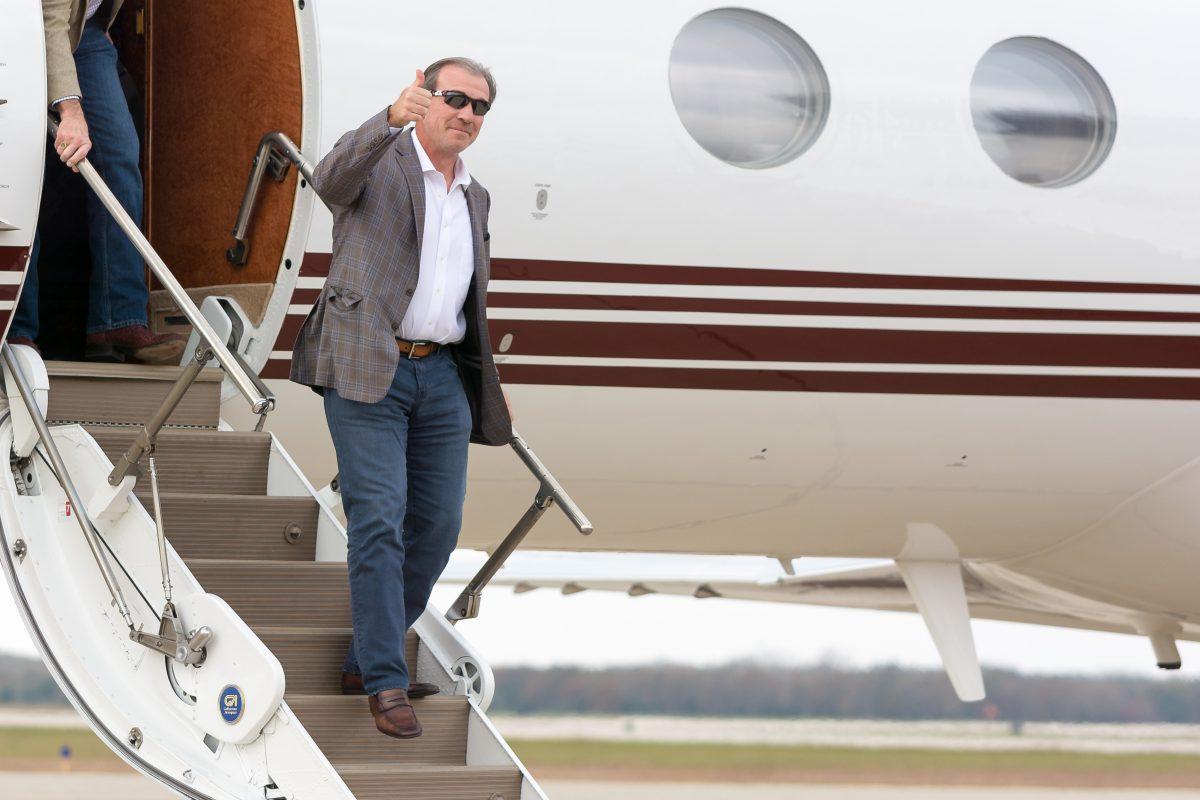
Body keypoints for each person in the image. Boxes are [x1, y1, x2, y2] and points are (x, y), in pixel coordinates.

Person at [291, 58, 513, 739]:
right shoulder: (381, 162)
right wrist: (390, 119)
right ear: (425, 94)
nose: (467, 114)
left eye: (479, 107)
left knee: (439, 525)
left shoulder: (476, 197)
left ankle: (364, 658)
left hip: (440, 374)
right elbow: (327, 180)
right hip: (366, 364)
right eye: (455, 98)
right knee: (379, 518)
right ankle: (385, 680)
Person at [11, 0, 185, 364]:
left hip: (84, 35)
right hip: (24, 29)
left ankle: (117, 320)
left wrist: (100, 22)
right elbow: (49, 15)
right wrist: (70, 110)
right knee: (23, 163)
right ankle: (18, 329)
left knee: (120, 153)